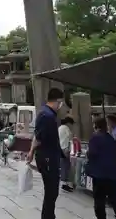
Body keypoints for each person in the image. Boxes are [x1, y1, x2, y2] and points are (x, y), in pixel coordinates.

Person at [27, 88, 64, 219]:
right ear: (58, 101)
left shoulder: (45, 113)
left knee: (51, 191)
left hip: (47, 155)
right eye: (61, 102)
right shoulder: (47, 116)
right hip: (48, 157)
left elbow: (37, 135)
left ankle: (49, 215)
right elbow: (39, 137)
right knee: (52, 191)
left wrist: (32, 152)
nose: (61, 105)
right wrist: (31, 152)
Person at [87, 117, 116, 219]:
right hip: (112, 174)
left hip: (99, 174)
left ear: (96, 125)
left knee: (99, 200)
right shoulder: (111, 138)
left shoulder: (95, 137)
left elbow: (92, 154)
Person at [58, 116, 75, 192]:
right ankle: (64, 184)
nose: (72, 126)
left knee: (63, 166)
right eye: (71, 124)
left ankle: (64, 183)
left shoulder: (60, 128)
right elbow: (70, 137)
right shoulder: (66, 127)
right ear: (68, 123)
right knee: (66, 166)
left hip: (60, 148)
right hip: (65, 149)